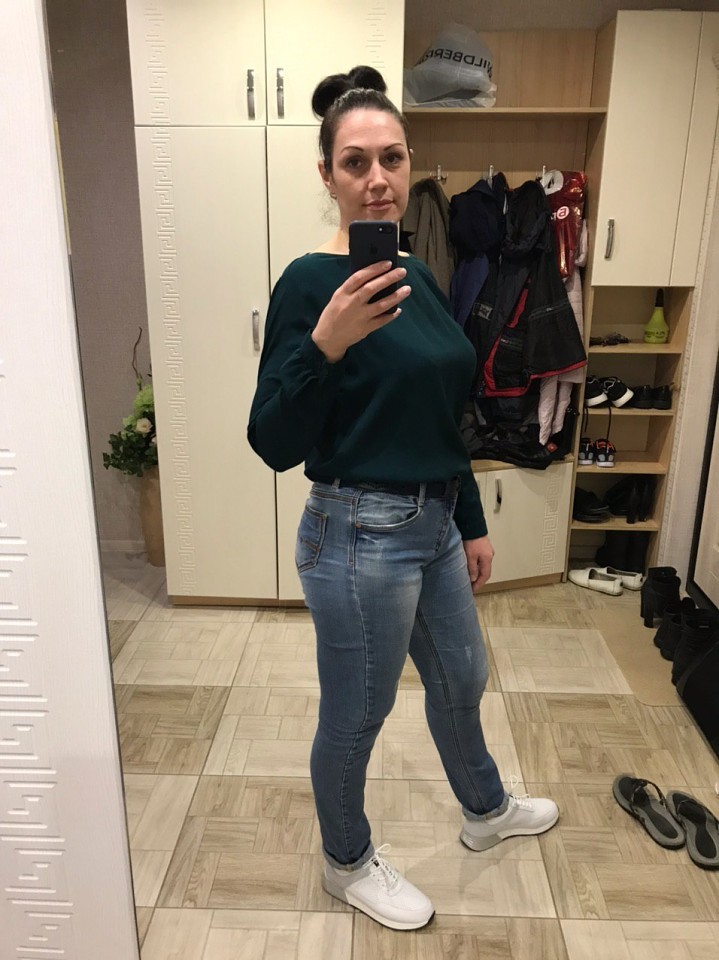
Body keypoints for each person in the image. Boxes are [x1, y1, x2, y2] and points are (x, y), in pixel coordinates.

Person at [248, 65, 559, 932]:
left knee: (463, 674)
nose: (377, 178)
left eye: (391, 157)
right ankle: (345, 862)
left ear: (409, 160)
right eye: (355, 162)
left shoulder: (418, 275)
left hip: (433, 522)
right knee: (359, 714)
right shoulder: (309, 284)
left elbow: (444, 410)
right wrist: (325, 344)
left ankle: (485, 810)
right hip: (357, 535)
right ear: (327, 175)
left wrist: (470, 521)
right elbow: (271, 439)